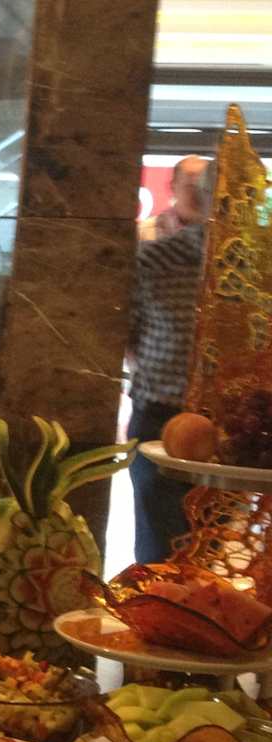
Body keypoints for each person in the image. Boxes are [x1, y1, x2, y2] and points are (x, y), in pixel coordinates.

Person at [127, 162, 214, 563]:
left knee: (208, 548)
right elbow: (125, 333)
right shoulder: (156, 259)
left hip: (228, 424)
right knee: (164, 547)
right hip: (162, 415)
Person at [138, 156, 209, 243]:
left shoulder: (216, 235)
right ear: (173, 187)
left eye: (204, 190)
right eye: (189, 187)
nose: (197, 194)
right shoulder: (145, 233)